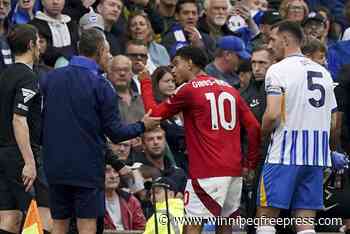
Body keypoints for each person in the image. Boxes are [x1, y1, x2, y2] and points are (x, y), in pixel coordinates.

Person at [40, 28, 160, 234]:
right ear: (100, 51)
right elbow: (115, 133)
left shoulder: (51, 78)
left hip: (54, 166)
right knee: (87, 224)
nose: (109, 58)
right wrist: (143, 125)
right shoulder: (101, 85)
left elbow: (39, 122)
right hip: (86, 169)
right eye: (108, 53)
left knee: (59, 222)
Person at [138, 45, 260, 234]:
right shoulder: (230, 88)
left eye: (176, 64)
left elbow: (153, 115)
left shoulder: (188, 89)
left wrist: (145, 82)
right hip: (234, 171)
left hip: (206, 172)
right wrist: (249, 164)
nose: (173, 70)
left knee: (193, 223)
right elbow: (254, 127)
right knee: (226, 224)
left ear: (190, 63)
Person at [255, 21, 342, 234]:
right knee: (305, 222)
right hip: (315, 158)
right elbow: (333, 123)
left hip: (284, 155)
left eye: (273, 40)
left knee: (265, 217)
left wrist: (260, 134)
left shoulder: (278, 70)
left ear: (285, 40)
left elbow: (272, 114)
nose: (269, 45)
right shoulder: (323, 72)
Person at [0, 24, 50, 234]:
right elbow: (19, 119)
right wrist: (29, 162)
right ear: (31, 44)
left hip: (3, 153)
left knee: (9, 218)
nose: (39, 47)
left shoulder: (4, 75)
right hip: (22, 154)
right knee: (44, 216)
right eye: (38, 41)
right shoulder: (28, 77)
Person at [104, 164, 146, 231]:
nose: (113, 176)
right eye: (107, 171)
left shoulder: (130, 200)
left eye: (115, 171)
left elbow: (141, 228)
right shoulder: (91, 202)